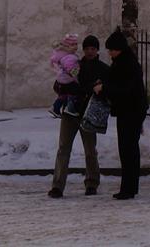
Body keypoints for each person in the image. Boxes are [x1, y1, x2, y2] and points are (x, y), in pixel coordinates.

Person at [49, 34, 105, 198]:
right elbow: (60, 83)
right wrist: (63, 88)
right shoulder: (74, 63)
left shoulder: (102, 68)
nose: (89, 51)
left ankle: (92, 182)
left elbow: (103, 90)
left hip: (88, 113)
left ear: (97, 50)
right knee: (63, 148)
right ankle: (58, 186)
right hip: (70, 111)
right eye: (87, 48)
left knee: (90, 150)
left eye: (93, 49)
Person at [95, 28, 147, 200]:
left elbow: (125, 90)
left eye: (112, 49)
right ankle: (130, 187)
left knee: (128, 149)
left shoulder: (127, 64)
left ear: (119, 49)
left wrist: (105, 88)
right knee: (128, 149)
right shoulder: (122, 62)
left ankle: (129, 188)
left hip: (131, 111)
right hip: (128, 110)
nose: (110, 53)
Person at [49, 33, 82, 117]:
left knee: (63, 95)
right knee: (74, 92)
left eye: (76, 44)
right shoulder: (70, 57)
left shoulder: (63, 55)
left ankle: (55, 108)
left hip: (61, 80)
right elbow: (70, 68)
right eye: (72, 45)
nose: (75, 47)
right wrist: (76, 72)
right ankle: (69, 108)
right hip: (68, 80)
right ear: (66, 47)